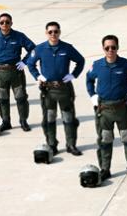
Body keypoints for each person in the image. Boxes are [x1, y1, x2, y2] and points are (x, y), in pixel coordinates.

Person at [85, 35, 127, 182]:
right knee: (105, 140)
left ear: (117, 47)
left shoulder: (125, 65)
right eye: (107, 48)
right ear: (103, 49)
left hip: (122, 109)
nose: (110, 50)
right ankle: (105, 169)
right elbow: (89, 79)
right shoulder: (97, 65)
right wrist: (92, 95)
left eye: (113, 47)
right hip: (104, 110)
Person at [26, 21, 85, 157]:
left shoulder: (67, 48)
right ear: (46, 33)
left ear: (59, 32)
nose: (53, 34)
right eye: (50, 32)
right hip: (48, 91)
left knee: (68, 118)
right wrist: (38, 76)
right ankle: (52, 144)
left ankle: (71, 145)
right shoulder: (40, 49)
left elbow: (80, 61)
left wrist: (73, 75)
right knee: (49, 119)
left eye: (56, 31)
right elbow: (30, 63)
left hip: (64, 89)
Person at [0, 13, 35, 131]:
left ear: (11, 23)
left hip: (16, 72)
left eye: (7, 22)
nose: (5, 24)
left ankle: (23, 120)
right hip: (1, 74)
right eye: (2, 22)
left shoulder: (19, 36)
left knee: (21, 98)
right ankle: (6, 121)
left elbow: (33, 49)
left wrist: (25, 61)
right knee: (3, 99)